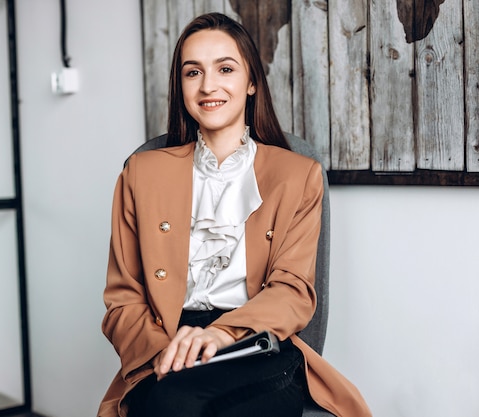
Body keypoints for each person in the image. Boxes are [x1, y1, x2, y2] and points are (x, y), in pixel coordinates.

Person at [98, 12, 370, 417]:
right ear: (181, 85)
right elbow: (124, 298)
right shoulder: (141, 171)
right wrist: (163, 351)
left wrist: (223, 333)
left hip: (257, 339)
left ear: (251, 82)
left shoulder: (297, 173)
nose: (208, 86)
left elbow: (293, 291)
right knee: (169, 401)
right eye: (193, 72)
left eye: (225, 68)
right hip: (167, 340)